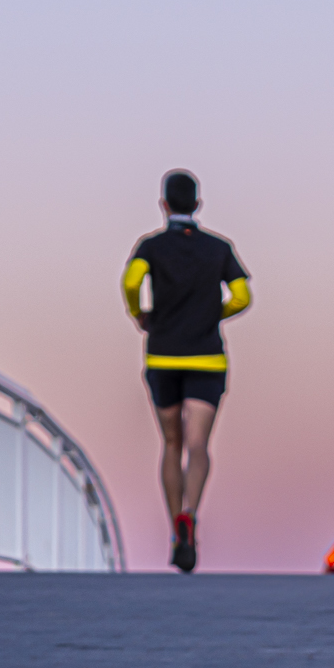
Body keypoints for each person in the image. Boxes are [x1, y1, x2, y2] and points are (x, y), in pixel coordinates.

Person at [123, 168, 251, 573]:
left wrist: (140, 313)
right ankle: (190, 513)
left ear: (164, 204)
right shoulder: (219, 247)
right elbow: (243, 294)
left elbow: (131, 280)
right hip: (206, 357)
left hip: (162, 355)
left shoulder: (151, 246)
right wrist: (217, 312)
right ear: (197, 203)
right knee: (199, 445)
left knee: (171, 443)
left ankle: (173, 521)